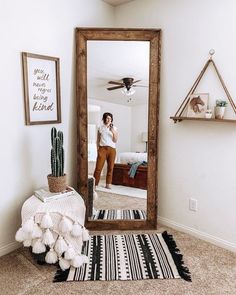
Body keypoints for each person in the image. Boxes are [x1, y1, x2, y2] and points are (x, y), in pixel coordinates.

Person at [93, 112, 118, 189]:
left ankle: (108, 184)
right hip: (102, 149)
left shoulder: (115, 128)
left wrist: (112, 131)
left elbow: (115, 140)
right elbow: (98, 139)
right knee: (98, 168)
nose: (108, 120)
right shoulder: (100, 127)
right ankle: (95, 184)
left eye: (110, 118)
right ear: (104, 118)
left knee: (110, 168)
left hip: (112, 149)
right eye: (107, 118)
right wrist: (98, 149)